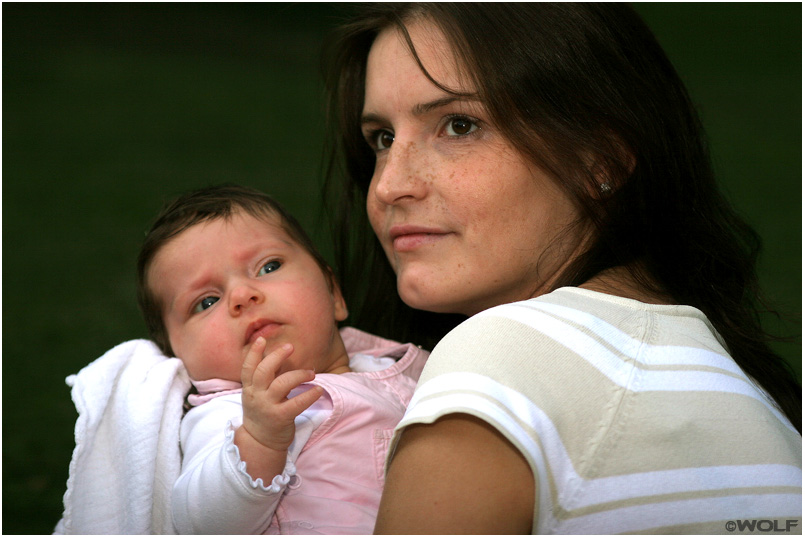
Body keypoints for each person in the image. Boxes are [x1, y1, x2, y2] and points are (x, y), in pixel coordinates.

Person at [321, 4, 802, 534]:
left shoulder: (503, 359)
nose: (390, 185)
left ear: (601, 159)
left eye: (459, 126)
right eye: (382, 139)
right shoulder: (757, 408)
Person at [135, 184, 429, 534]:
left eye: (268, 266)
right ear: (179, 355)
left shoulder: (391, 364)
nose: (243, 295)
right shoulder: (227, 415)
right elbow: (201, 523)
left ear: (333, 293)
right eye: (206, 302)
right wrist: (259, 441)